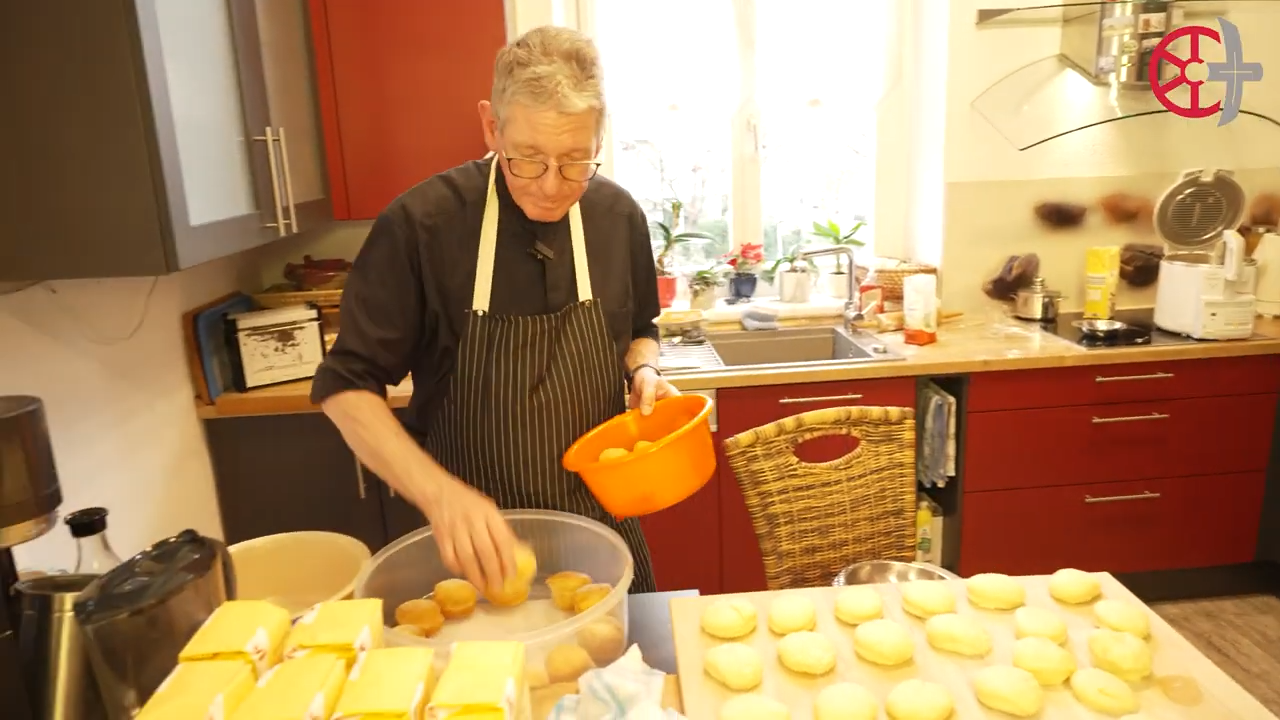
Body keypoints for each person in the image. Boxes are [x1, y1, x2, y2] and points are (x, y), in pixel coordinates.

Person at [310, 25, 678, 596]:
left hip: (601, 536)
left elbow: (639, 330)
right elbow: (345, 386)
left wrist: (644, 370)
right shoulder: (423, 225)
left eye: (577, 161)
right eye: (528, 158)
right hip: (477, 554)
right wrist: (439, 495)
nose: (554, 186)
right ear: (491, 125)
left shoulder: (615, 215)